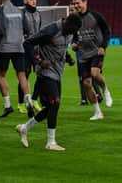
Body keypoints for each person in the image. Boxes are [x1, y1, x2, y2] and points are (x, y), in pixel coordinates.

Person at [16, 13, 82, 151]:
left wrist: (68, 57)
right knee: (55, 103)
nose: (73, 33)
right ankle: (50, 142)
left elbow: (61, 48)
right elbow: (27, 43)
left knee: (51, 108)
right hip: (46, 73)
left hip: (57, 73)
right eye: (73, 30)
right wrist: (39, 61)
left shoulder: (69, 31)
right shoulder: (51, 30)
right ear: (68, 24)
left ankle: (24, 128)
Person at [70, 0, 113, 121]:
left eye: (78, 3)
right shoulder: (73, 19)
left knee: (94, 74)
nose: (76, 5)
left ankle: (105, 90)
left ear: (85, 2)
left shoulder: (95, 16)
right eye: (74, 3)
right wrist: (74, 44)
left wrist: (103, 47)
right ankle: (97, 112)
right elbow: (73, 35)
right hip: (83, 54)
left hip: (96, 52)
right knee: (87, 84)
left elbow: (106, 31)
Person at [0, 0, 33, 118]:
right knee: (22, 76)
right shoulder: (19, 11)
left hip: (4, 47)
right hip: (19, 47)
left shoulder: (0, 11)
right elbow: (27, 29)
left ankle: (7, 106)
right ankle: (29, 102)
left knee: (0, 76)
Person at [20, 0, 42, 115]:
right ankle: (21, 103)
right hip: (24, 50)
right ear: (25, 1)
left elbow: (39, 30)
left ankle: (34, 100)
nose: (34, 1)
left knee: (40, 74)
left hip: (37, 49)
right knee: (24, 76)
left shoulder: (38, 14)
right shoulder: (21, 14)